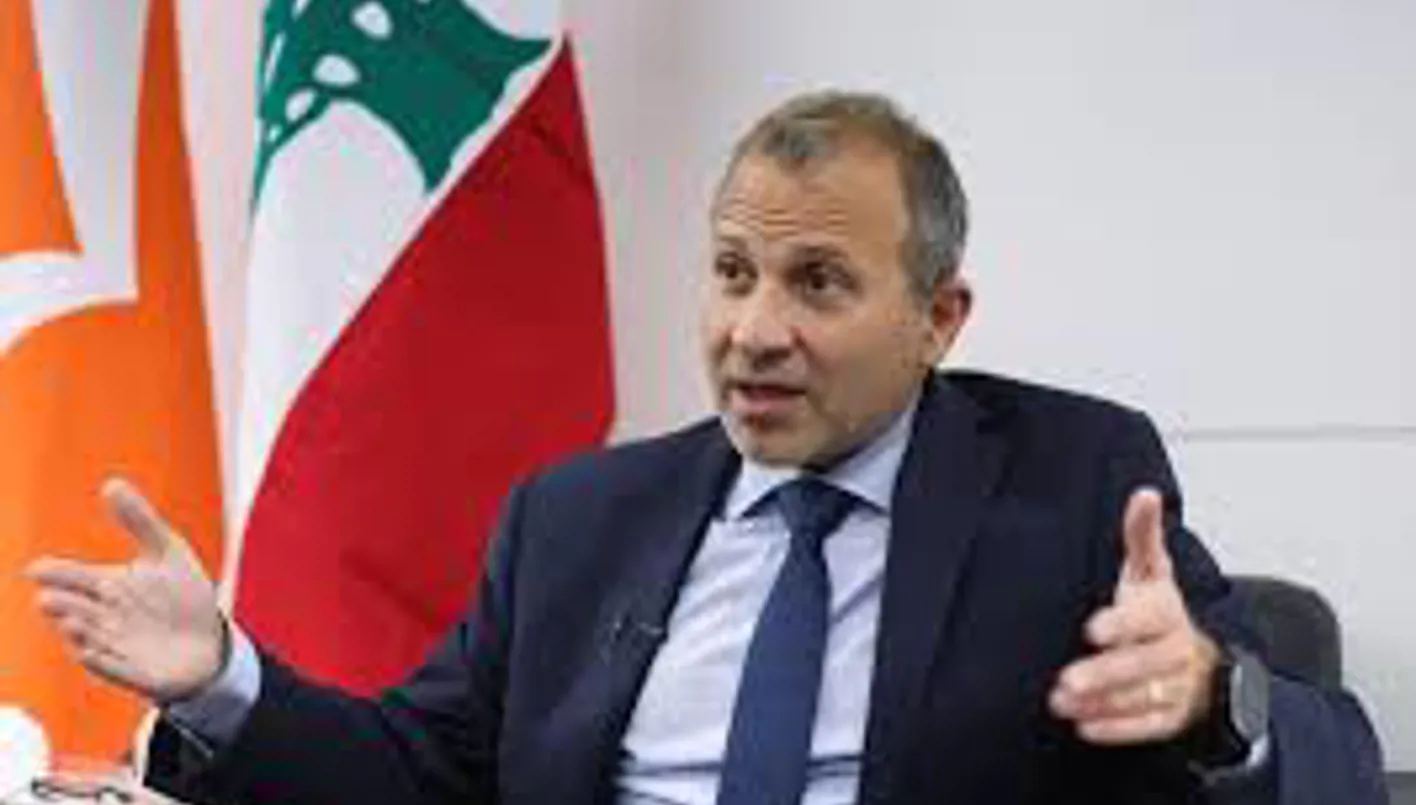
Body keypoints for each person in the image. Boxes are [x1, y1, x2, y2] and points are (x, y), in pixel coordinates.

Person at [27, 91, 1386, 805]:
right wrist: (222, 680)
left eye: (818, 285)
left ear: (938, 319)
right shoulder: (579, 518)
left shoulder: (1070, 481)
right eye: (733, 272)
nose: (754, 331)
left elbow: (1327, 759)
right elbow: (419, 776)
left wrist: (1215, 695)